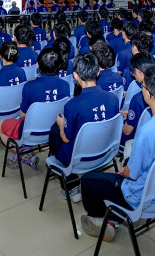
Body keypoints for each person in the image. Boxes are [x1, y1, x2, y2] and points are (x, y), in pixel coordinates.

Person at [79, 63, 155, 241]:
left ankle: (104, 221)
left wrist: (124, 171)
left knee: (88, 180)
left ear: (149, 94)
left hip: (141, 197)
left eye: (144, 86)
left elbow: (131, 174)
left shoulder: (147, 131)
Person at [48, 53, 120, 202]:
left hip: (80, 159)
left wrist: (61, 124)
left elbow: (66, 139)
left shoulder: (72, 105)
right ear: (98, 72)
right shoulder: (113, 98)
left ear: (75, 75)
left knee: (56, 130)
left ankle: (70, 185)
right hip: (105, 152)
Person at [0, 47, 69, 170]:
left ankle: (24, 154)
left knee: (0, 125)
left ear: (37, 65)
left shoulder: (30, 86)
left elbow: (22, 115)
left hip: (31, 132)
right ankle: (26, 153)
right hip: (54, 130)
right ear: (59, 66)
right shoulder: (65, 85)